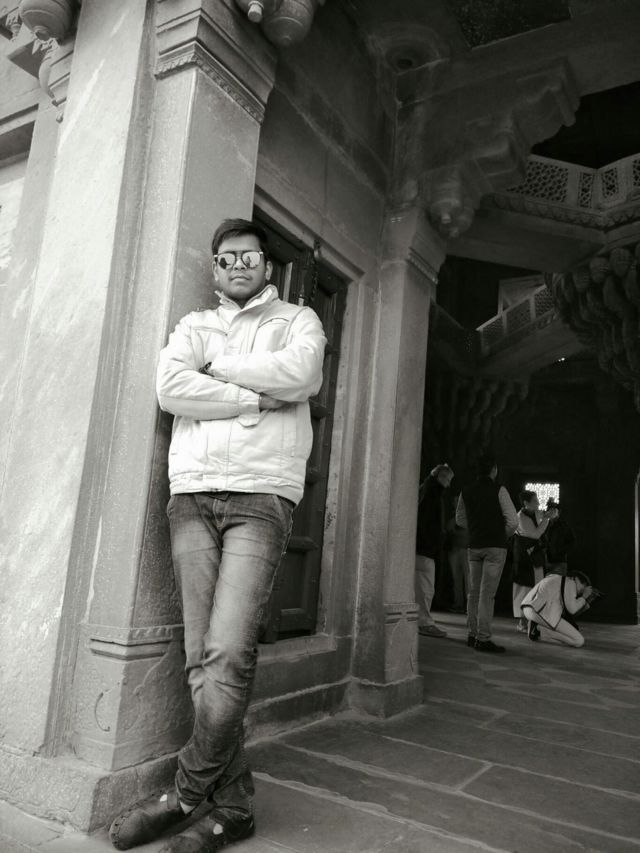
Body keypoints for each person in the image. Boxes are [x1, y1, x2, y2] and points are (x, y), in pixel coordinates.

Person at [109, 219, 326, 853]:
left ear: (266, 265)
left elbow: (302, 377)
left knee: (228, 652)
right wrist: (252, 398)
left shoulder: (299, 320)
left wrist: (221, 367)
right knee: (200, 659)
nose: (237, 266)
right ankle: (232, 808)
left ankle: (182, 794)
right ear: (215, 268)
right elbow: (171, 388)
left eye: (248, 256)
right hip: (193, 494)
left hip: (261, 494)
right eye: (225, 258)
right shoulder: (192, 326)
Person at [456, 455, 518, 653]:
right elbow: (513, 522)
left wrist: (477, 529)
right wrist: (500, 534)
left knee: (473, 593)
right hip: (495, 547)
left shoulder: (466, 491)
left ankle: (472, 634)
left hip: (474, 545)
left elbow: (459, 519)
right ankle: (483, 638)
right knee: (487, 595)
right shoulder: (499, 490)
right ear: (494, 470)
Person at [415, 464, 454, 638]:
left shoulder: (424, 489)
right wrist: (435, 542)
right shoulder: (433, 493)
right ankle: (424, 622)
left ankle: (420, 619)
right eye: (448, 480)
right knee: (426, 587)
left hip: (421, 546)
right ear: (441, 477)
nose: (449, 484)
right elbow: (428, 522)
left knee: (420, 586)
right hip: (426, 548)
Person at [512, 491, 557, 633]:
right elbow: (535, 534)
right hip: (524, 559)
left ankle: (532, 622)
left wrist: (551, 514)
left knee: (536, 589)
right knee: (524, 589)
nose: (538, 503)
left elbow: (545, 517)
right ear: (526, 503)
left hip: (535, 558)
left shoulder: (535, 513)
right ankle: (522, 623)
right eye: (535, 501)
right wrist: (547, 518)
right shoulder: (520, 517)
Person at [521, 571, 594, 647]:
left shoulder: (558, 580)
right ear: (578, 580)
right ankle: (539, 630)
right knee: (578, 641)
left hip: (530, 609)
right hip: (539, 612)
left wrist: (586, 602)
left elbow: (569, 613)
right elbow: (572, 610)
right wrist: (583, 597)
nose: (582, 590)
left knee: (573, 635)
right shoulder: (571, 582)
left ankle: (538, 630)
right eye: (584, 586)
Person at [445, 509, 469, 613]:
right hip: (455, 550)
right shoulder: (454, 518)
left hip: (466, 550)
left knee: (468, 580)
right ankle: (458, 604)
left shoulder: (470, 517)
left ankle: (469, 605)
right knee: (456, 580)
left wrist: (456, 532)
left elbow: (468, 532)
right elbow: (448, 528)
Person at [545, 499, 576, 576]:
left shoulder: (564, 526)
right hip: (546, 561)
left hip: (559, 562)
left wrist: (560, 552)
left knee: (558, 582)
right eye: (550, 510)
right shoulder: (545, 524)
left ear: (558, 512)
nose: (551, 512)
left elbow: (572, 542)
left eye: (554, 510)